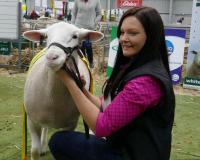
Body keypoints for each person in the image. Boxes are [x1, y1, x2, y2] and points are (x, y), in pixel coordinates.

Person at [49, 6, 175, 160]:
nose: (123, 39)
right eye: (122, 32)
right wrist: (83, 91)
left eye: (133, 33)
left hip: (131, 154)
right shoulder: (136, 67)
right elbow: (107, 106)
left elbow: (101, 126)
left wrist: (68, 81)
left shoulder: (146, 81)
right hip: (124, 145)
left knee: (59, 142)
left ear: (151, 36)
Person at [71, 0, 102, 68]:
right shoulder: (77, 1)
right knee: (81, 47)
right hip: (78, 27)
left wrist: (94, 23)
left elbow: (99, 14)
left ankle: (90, 61)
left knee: (88, 45)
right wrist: (72, 25)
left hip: (89, 28)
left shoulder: (96, 1)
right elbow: (74, 13)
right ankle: (84, 63)